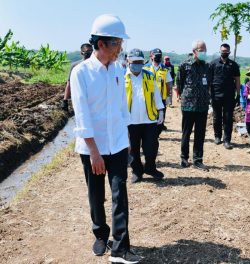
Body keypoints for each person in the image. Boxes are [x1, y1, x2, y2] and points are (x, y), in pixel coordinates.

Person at [70, 14, 142, 263]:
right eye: (117, 43)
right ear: (102, 44)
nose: (121, 48)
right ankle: (101, 234)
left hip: (118, 143)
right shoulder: (81, 73)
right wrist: (94, 151)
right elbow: (82, 115)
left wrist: (128, 139)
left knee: (120, 192)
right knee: (96, 194)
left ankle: (121, 248)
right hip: (94, 146)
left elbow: (122, 108)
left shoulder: (118, 69)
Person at [125, 48, 165, 183]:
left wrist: (160, 110)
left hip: (149, 119)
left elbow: (156, 95)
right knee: (133, 149)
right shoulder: (122, 77)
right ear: (128, 61)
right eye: (134, 61)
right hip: (131, 121)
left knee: (151, 147)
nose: (137, 64)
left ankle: (150, 168)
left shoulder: (149, 75)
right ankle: (137, 171)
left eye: (140, 62)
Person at [176, 40, 211, 171]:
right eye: (202, 50)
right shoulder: (184, 65)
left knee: (200, 133)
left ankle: (197, 160)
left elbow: (208, 83)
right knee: (186, 132)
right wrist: (181, 95)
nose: (204, 53)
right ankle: (184, 158)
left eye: (205, 50)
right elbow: (179, 82)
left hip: (202, 105)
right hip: (188, 104)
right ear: (195, 51)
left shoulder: (206, 66)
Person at [209, 43, 241, 149]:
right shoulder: (213, 64)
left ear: (229, 52)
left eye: (226, 52)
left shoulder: (234, 65)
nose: (224, 53)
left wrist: (238, 94)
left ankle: (227, 140)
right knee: (216, 117)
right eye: (223, 52)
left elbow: (237, 79)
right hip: (215, 94)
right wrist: (209, 94)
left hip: (229, 96)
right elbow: (209, 80)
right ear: (220, 51)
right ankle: (217, 136)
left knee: (228, 118)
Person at [144, 48, 173, 133]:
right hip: (149, 98)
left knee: (161, 117)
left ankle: (158, 132)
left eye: (160, 56)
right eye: (156, 55)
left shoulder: (165, 69)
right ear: (151, 56)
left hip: (161, 98)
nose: (158, 57)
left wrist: (168, 96)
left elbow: (168, 84)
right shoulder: (146, 68)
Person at [61, 43, 93, 111]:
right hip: (79, 98)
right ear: (82, 53)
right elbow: (69, 84)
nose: (90, 53)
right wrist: (65, 101)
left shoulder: (96, 66)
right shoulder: (75, 66)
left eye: (91, 51)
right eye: (87, 52)